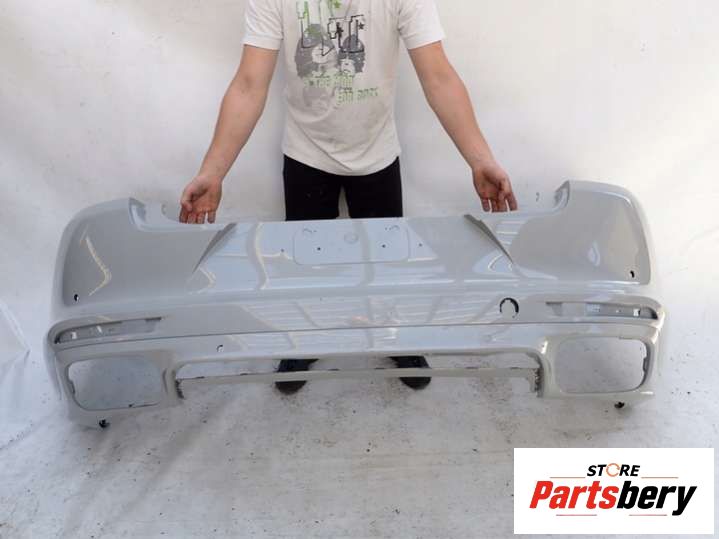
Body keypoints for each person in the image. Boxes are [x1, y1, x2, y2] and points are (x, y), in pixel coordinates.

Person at [179, 0, 518, 394]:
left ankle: (396, 337)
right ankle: (306, 339)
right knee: (305, 263)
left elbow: (439, 77)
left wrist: (480, 160)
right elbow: (248, 84)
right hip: (306, 153)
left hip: (377, 153)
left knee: (387, 262)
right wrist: (213, 172)